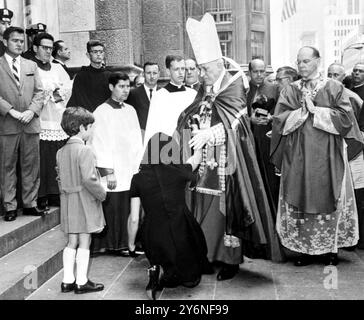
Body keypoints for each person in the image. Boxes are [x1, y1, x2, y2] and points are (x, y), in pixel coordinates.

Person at [177, 13, 284, 282]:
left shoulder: (234, 85)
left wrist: (208, 135)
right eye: (199, 69)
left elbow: (236, 122)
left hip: (228, 162)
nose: (200, 74)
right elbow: (194, 111)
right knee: (203, 207)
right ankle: (205, 254)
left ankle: (230, 260)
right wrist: (192, 124)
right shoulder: (207, 86)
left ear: (217, 64)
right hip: (202, 161)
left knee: (227, 211)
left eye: (204, 69)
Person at [271, 46, 363, 266]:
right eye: (299, 62)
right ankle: (303, 249)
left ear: (318, 61)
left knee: (328, 195)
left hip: (328, 155)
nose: (302, 66)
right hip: (298, 155)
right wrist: (301, 112)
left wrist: (317, 111)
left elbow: (345, 120)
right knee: (300, 195)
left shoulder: (334, 87)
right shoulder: (290, 90)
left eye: (306, 61)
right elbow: (279, 120)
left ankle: (330, 249)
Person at [129, 132, 209, 299]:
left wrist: (131, 245)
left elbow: (134, 218)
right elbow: (196, 158)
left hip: (153, 236)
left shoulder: (137, 178)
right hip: (182, 231)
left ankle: (158, 270)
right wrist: (199, 138)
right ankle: (176, 274)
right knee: (191, 280)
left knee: (163, 261)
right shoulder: (179, 171)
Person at [90, 72, 143, 254]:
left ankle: (125, 243)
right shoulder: (101, 112)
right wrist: (107, 171)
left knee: (127, 208)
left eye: (128, 86)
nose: (125, 90)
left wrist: (138, 165)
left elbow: (137, 140)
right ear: (111, 87)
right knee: (113, 206)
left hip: (129, 167)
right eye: (121, 86)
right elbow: (98, 143)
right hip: (112, 169)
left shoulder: (131, 110)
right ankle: (108, 244)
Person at [56, 107, 106, 294]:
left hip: (68, 201)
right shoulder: (84, 150)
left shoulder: (60, 151)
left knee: (71, 241)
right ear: (82, 128)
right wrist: (101, 194)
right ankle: (81, 281)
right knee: (85, 240)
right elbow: (89, 179)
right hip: (84, 201)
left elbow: (60, 179)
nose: (92, 130)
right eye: (91, 127)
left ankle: (67, 280)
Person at [0, 27, 45, 221]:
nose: (19, 44)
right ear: (4, 41)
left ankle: (30, 203)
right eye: (14, 40)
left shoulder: (31, 65)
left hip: (30, 123)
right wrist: (11, 111)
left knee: (31, 165)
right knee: (7, 166)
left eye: (21, 41)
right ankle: (10, 206)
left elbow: (40, 92)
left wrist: (30, 111)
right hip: (7, 123)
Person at [32, 32, 72, 210]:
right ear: (35, 48)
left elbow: (67, 88)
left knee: (57, 160)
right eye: (44, 48)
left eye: (50, 48)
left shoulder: (57, 68)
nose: (48, 51)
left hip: (57, 118)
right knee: (43, 161)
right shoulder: (31, 67)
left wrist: (59, 90)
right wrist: (47, 91)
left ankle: (56, 193)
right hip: (41, 120)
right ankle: (42, 195)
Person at [329, 63, 364, 250]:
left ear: (344, 77)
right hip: (331, 154)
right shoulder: (322, 97)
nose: (333, 77)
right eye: (329, 74)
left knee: (354, 195)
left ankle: (353, 236)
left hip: (353, 152)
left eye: (336, 74)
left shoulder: (353, 98)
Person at [247, 59, 280, 211]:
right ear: (249, 72)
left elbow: (284, 112)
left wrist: (272, 118)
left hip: (269, 141)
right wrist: (250, 119)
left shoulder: (275, 89)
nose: (259, 75)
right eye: (256, 71)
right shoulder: (244, 90)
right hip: (249, 139)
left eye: (262, 71)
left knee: (270, 180)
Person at [144, 55, 197, 146]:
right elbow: (152, 128)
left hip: (190, 144)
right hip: (168, 146)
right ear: (168, 71)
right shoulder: (159, 96)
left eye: (183, 69)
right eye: (176, 69)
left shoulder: (193, 94)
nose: (181, 73)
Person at [67, 40, 111, 113]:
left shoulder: (110, 76)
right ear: (88, 55)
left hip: (106, 115)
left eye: (101, 52)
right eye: (95, 52)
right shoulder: (81, 76)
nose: (98, 54)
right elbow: (79, 99)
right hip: (87, 116)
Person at [126, 62, 160, 134]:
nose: (152, 76)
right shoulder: (133, 94)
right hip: (140, 138)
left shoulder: (165, 94)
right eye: (148, 73)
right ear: (144, 74)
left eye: (154, 73)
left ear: (159, 74)